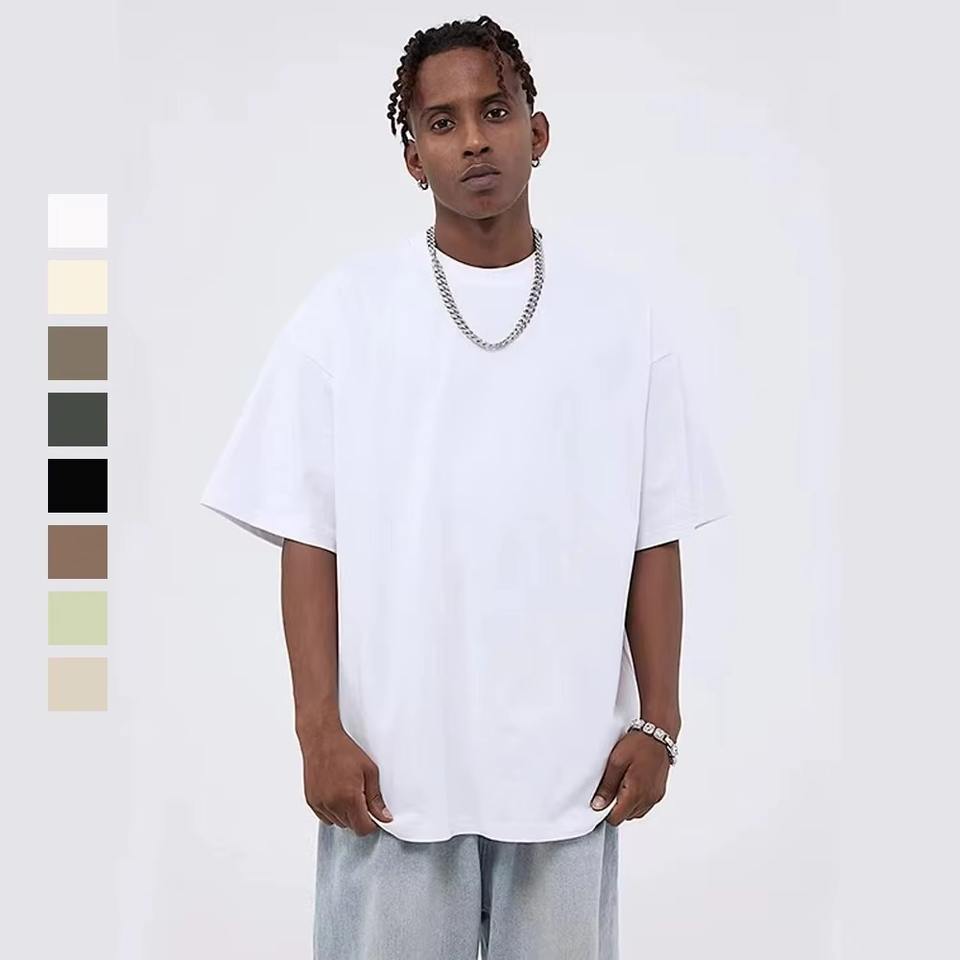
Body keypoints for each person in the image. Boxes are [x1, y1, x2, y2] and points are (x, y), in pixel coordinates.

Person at [200, 14, 729, 960]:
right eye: (441, 123)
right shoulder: (347, 314)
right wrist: (317, 730)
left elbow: (655, 535)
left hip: (570, 777)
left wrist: (662, 721)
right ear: (413, 157)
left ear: (539, 130)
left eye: (496, 110)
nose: (474, 139)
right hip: (393, 779)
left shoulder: (622, 321)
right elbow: (307, 535)